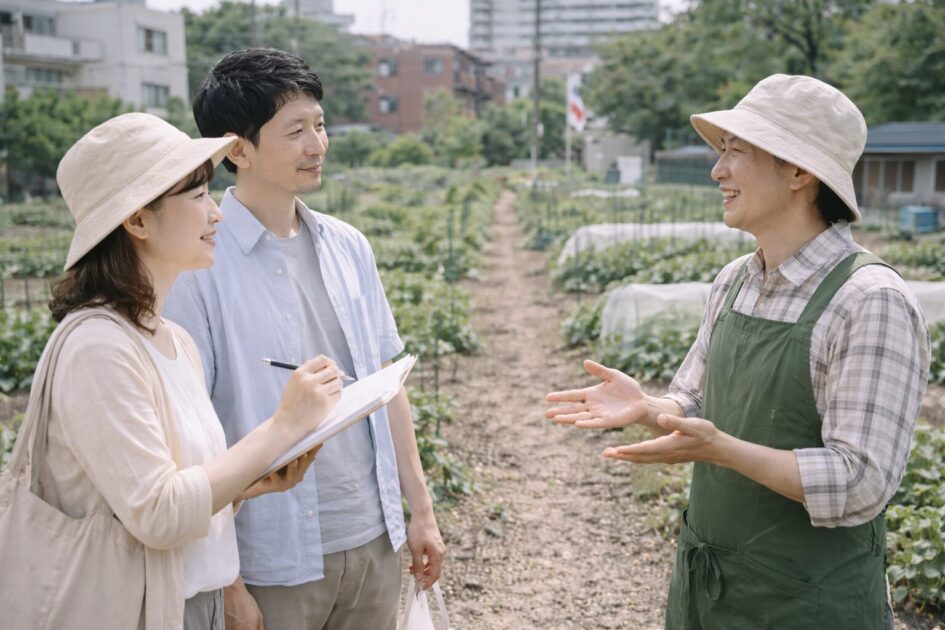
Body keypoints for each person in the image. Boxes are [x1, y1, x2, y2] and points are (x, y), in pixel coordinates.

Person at [546, 74, 930, 629]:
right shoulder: (736, 280)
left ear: (800, 172)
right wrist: (650, 408)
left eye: (736, 152)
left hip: (809, 604)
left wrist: (723, 451)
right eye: (721, 151)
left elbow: (858, 483)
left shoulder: (869, 301)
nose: (717, 170)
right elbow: (695, 402)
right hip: (713, 590)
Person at [164, 48, 446, 630]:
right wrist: (228, 584)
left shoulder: (348, 246)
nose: (317, 144)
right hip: (268, 556)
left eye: (319, 125)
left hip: (371, 536)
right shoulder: (198, 266)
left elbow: (386, 382)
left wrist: (421, 512)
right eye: (295, 131)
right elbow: (189, 435)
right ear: (235, 149)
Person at [29, 112, 344, 630]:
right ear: (138, 220)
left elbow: (181, 487)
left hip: (193, 601)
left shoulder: (172, 340)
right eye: (197, 197)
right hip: (139, 608)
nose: (215, 214)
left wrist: (251, 483)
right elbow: (159, 512)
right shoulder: (98, 348)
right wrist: (281, 427)